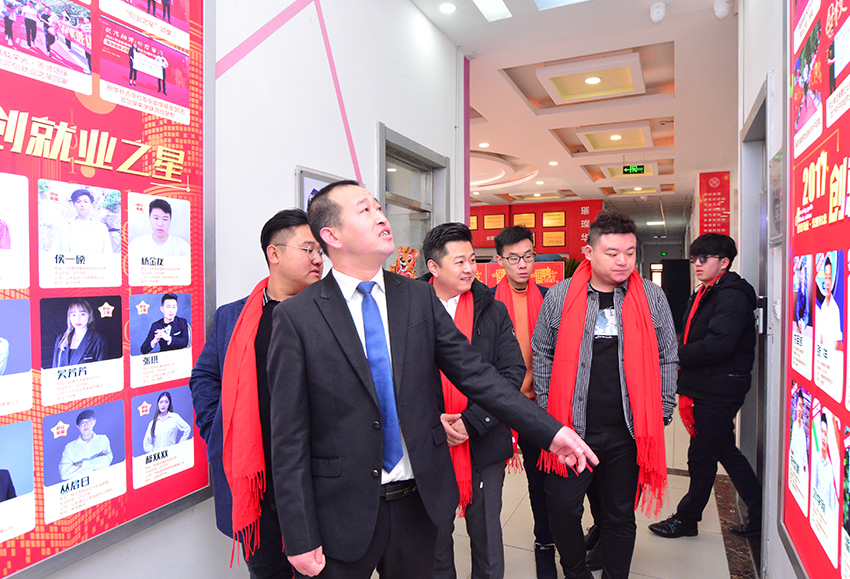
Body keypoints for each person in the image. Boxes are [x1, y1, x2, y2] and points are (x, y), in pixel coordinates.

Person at [267, 180, 596, 579]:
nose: (381, 217)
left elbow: (478, 375)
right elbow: (288, 436)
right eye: (365, 210)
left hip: (417, 501)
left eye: (378, 207)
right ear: (332, 236)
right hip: (341, 510)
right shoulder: (297, 317)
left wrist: (550, 432)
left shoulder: (417, 298)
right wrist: (299, 534)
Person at [532, 210, 677, 579]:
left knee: (619, 515)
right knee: (562, 507)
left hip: (626, 431)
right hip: (571, 430)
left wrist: (662, 408)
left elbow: (667, 354)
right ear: (589, 252)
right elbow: (542, 352)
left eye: (629, 252)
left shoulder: (651, 297)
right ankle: (576, 572)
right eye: (612, 253)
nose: (622, 261)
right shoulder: (561, 295)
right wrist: (548, 412)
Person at [189, 209, 323, 578]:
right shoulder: (233, 317)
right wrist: (218, 429)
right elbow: (205, 376)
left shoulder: (330, 316)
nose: (318, 258)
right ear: (274, 253)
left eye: (320, 251)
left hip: (314, 476)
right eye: (309, 249)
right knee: (266, 571)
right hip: (255, 480)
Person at [418, 223, 525, 579]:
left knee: (487, 535)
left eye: (473, 260)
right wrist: (435, 421)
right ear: (433, 267)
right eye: (459, 261)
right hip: (430, 441)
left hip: (485, 439)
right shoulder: (409, 309)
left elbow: (511, 372)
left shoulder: (492, 309)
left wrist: (472, 421)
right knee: (434, 538)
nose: (469, 269)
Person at [649, 233, 763, 539]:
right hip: (708, 384)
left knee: (701, 456)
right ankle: (759, 510)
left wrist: (674, 355)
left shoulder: (731, 296)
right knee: (723, 450)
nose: (697, 264)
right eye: (693, 258)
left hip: (719, 387)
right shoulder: (707, 291)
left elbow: (716, 346)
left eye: (704, 258)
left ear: (724, 262)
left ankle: (687, 519)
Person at [489, 225, 558, 578]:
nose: (522, 265)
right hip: (497, 405)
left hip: (536, 405)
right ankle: (487, 553)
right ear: (499, 260)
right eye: (514, 258)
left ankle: (545, 541)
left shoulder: (550, 298)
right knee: (490, 487)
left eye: (528, 256)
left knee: (540, 481)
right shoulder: (486, 303)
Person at [50, 189, 113, 254]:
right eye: (78, 201)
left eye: (85, 202)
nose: (82, 204)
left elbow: (107, 253)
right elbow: (54, 251)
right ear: (74, 204)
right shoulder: (64, 227)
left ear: (91, 204)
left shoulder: (101, 228)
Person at [59, 409, 113, 480]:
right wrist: (93, 468)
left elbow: (107, 460)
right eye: (82, 423)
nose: (86, 425)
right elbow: (64, 474)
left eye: (89, 421)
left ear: (94, 422)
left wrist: (82, 464)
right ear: (77, 426)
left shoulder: (102, 439)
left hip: (102, 481)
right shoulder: (70, 447)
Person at [51, 299, 106, 368]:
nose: (78, 319)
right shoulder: (61, 339)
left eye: (82, 314)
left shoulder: (99, 341)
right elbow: (55, 368)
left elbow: (101, 370)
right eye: (73, 315)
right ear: (69, 317)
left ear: (90, 315)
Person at [812, 413, 838, 517]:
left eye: (826, 434)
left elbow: (832, 503)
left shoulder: (831, 467)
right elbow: (812, 487)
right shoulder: (816, 458)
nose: (823, 437)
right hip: (816, 512)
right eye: (822, 432)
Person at [815, 256, 843, 351]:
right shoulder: (823, 306)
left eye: (829, 277)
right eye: (826, 277)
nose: (827, 282)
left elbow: (838, 341)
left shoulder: (835, 309)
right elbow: (821, 336)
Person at [789, 390, 808, 475]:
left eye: (801, 406)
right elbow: (791, 448)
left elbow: (805, 460)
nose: (800, 409)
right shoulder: (794, 425)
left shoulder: (804, 432)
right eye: (798, 405)